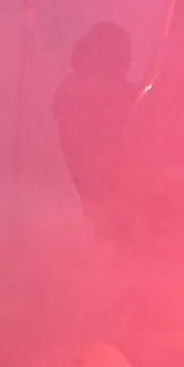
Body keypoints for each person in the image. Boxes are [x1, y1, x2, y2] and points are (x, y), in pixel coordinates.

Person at [52, 22, 142, 239]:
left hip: (118, 193)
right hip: (106, 192)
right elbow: (87, 148)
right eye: (121, 57)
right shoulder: (76, 91)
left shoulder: (117, 92)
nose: (127, 64)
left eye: (127, 57)